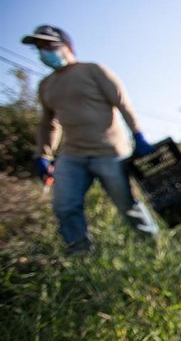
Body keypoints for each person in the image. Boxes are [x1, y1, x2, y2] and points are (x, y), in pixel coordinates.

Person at [22, 25, 159, 254]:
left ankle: (152, 245)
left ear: (67, 47)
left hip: (110, 153)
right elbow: (49, 124)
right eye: (39, 48)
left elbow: (123, 103)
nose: (44, 51)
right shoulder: (46, 86)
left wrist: (138, 135)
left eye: (49, 46)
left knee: (127, 205)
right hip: (72, 155)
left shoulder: (94, 71)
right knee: (65, 206)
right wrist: (44, 155)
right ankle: (80, 255)